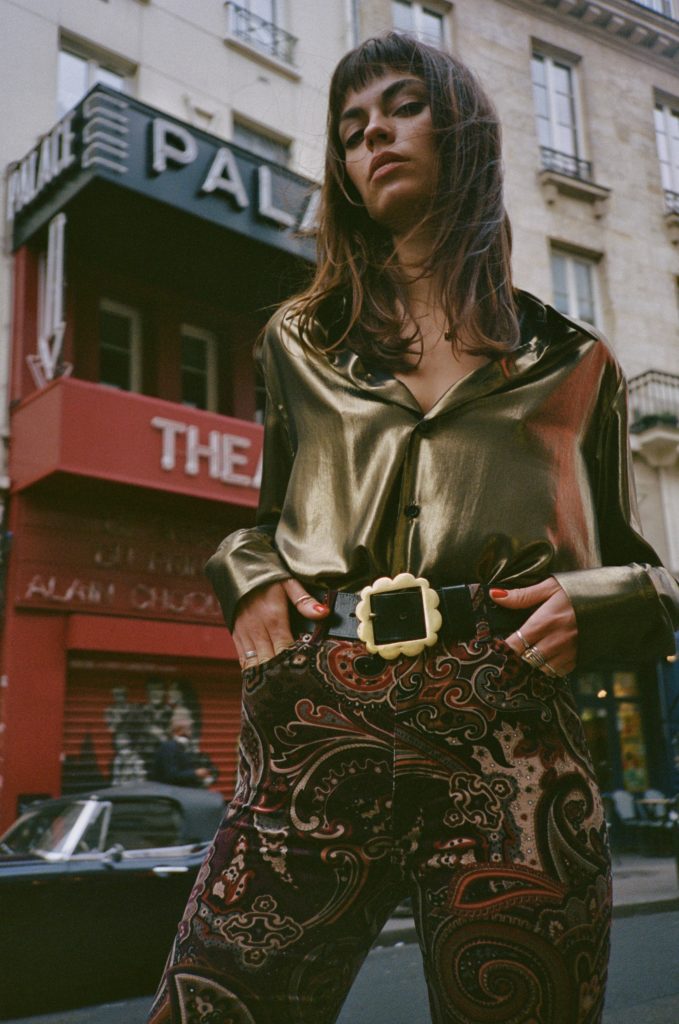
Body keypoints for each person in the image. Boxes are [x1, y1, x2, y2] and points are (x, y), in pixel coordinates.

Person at [147, 33, 679, 1024]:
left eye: (401, 107)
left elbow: (647, 575)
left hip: (508, 722)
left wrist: (600, 602)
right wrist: (246, 576)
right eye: (351, 128)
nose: (373, 136)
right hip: (321, 716)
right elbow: (262, 525)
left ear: (461, 132)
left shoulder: (576, 362)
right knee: (216, 1004)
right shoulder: (299, 342)